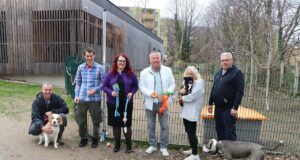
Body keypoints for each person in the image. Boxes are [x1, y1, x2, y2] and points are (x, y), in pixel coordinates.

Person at [139, 51, 175, 157]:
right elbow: (142, 87)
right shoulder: (144, 72)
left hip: (163, 103)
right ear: (150, 60)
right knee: (151, 126)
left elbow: (172, 84)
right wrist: (150, 94)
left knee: (164, 126)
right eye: (153, 58)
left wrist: (168, 93)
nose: (155, 60)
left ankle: (163, 147)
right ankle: (152, 145)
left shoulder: (168, 70)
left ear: (160, 59)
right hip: (150, 103)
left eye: (157, 58)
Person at [103, 54, 138, 153]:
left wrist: (131, 92)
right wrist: (111, 92)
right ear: (116, 62)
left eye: (124, 61)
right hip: (113, 104)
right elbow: (104, 86)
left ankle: (129, 146)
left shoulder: (131, 74)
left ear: (126, 63)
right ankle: (117, 145)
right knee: (116, 125)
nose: (122, 63)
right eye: (120, 61)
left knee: (126, 125)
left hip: (126, 104)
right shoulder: (110, 74)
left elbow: (135, 86)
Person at [208, 52, 245, 141]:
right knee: (219, 129)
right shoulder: (218, 73)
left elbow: (239, 91)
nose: (225, 62)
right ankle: (222, 151)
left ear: (232, 61)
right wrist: (210, 103)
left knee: (229, 130)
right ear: (220, 62)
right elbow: (214, 88)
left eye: (227, 60)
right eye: (223, 60)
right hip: (218, 107)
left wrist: (235, 107)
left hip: (229, 108)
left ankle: (232, 153)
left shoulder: (237, 73)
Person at [74, 47, 105, 148]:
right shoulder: (80, 68)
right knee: (81, 120)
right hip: (82, 98)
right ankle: (83, 138)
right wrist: (76, 96)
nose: (89, 58)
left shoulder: (100, 68)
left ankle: (95, 139)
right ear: (84, 56)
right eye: (87, 56)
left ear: (94, 55)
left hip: (95, 99)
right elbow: (78, 83)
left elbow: (104, 83)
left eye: (91, 56)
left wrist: (95, 90)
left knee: (96, 121)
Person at [178, 66, 205, 160]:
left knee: (191, 132)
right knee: (188, 131)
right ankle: (192, 149)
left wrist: (182, 97)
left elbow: (193, 96)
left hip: (193, 111)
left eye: (191, 74)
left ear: (195, 74)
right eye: (188, 73)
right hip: (186, 111)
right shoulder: (187, 83)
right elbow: (182, 92)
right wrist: (180, 92)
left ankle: (195, 155)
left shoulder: (199, 83)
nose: (189, 75)